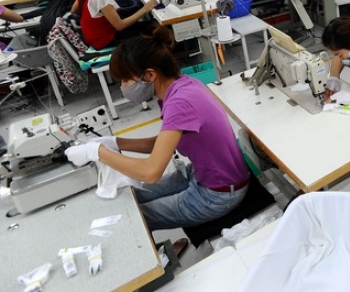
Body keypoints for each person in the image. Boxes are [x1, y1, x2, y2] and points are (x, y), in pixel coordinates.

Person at [64, 25, 250, 231]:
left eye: (125, 80)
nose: (123, 87)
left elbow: (151, 172)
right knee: (132, 194)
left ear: (150, 75)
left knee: (130, 218)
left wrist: (97, 152)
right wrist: (115, 143)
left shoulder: (179, 103)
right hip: (205, 173)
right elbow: (163, 143)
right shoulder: (182, 85)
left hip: (219, 193)